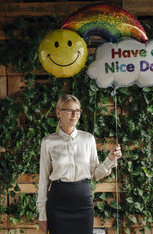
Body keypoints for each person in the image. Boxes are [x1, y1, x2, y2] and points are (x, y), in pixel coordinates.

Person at [36, 94, 122, 234]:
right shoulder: (48, 142)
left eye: (78, 110)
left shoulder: (88, 139)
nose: (75, 114)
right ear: (58, 112)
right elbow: (43, 180)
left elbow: (95, 174)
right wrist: (42, 215)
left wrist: (110, 159)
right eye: (70, 110)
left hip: (83, 202)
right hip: (58, 203)